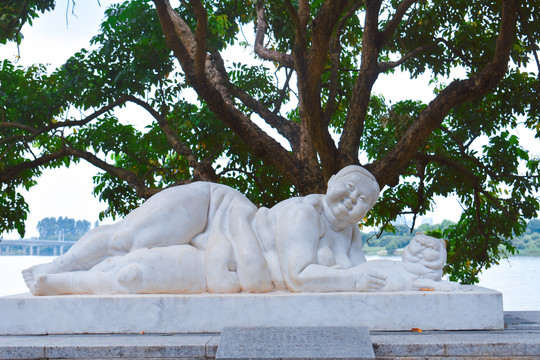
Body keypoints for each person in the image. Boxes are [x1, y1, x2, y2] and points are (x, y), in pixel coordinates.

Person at [23, 165, 387, 295]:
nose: (352, 200)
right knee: (126, 239)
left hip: (226, 254)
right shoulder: (305, 214)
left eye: (364, 201)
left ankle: (70, 279)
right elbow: (299, 277)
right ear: (332, 181)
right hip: (215, 209)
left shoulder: (349, 233)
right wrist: (353, 281)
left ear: (367, 212)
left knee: (133, 259)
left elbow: (365, 272)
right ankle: (57, 267)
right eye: (349, 188)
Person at [360, 233, 461, 291]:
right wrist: (437, 286)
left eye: (429, 247)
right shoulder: (409, 269)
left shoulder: (430, 273)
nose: (422, 247)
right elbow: (416, 283)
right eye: (418, 243)